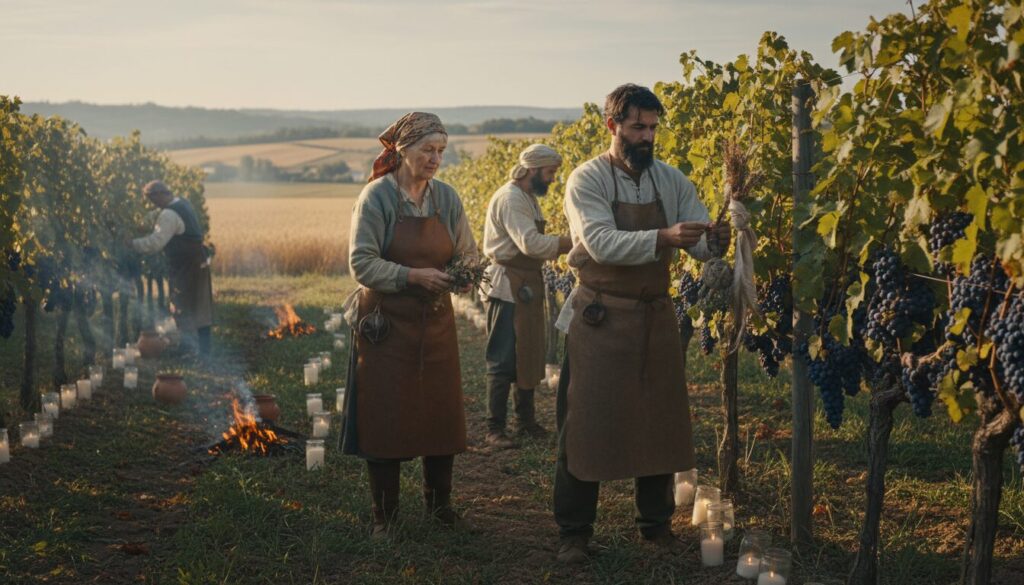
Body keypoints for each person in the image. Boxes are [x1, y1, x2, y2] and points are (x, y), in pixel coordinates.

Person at [552, 84, 730, 564]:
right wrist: (664, 235)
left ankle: (655, 526)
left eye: (652, 127)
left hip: (654, 315)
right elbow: (601, 242)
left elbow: (697, 244)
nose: (647, 136)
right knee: (584, 423)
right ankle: (574, 532)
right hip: (600, 315)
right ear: (612, 126)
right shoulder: (585, 180)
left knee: (659, 424)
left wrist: (716, 239)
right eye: (637, 127)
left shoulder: (671, 181)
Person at [340, 112, 477, 539]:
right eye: (427, 150)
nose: (436, 159)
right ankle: (386, 516)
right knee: (386, 416)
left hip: (435, 321)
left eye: (441, 151)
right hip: (385, 325)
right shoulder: (378, 197)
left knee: (441, 413)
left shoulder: (447, 199)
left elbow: (467, 253)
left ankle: (440, 507)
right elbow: (361, 262)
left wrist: (466, 273)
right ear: (402, 151)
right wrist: (412, 276)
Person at [479, 144, 572, 449]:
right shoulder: (511, 199)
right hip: (507, 284)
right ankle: (494, 428)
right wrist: (571, 242)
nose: (553, 180)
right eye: (550, 173)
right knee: (503, 357)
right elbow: (530, 243)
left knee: (529, 350)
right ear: (533, 170)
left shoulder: (527, 197)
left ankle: (526, 422)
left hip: (526, 282)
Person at [130, 180, 214, 356]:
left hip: (187, 266)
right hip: (198, 262)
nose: (153, 204)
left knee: (183, 306)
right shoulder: (182, 203)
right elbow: (155, 216)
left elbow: (155, 243)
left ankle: (188, 350)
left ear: (161, 194)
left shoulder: (169, 214)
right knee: (200, 308)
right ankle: (204, 352)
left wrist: (132, 244)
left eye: (153, 199)